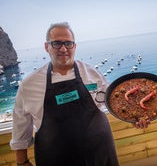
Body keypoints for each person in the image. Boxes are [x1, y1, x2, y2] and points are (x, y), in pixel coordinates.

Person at [10, 22, 119, 166]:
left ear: (74, 46)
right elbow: (20, 123)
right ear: (46, 47)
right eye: (56, 43)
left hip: (101, 154)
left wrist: (138, 117)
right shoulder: (29, 84)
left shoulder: (92, 73)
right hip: (56, 158)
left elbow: (115, 100)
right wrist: (22, 161)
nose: (63, 48)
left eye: (68, 43)